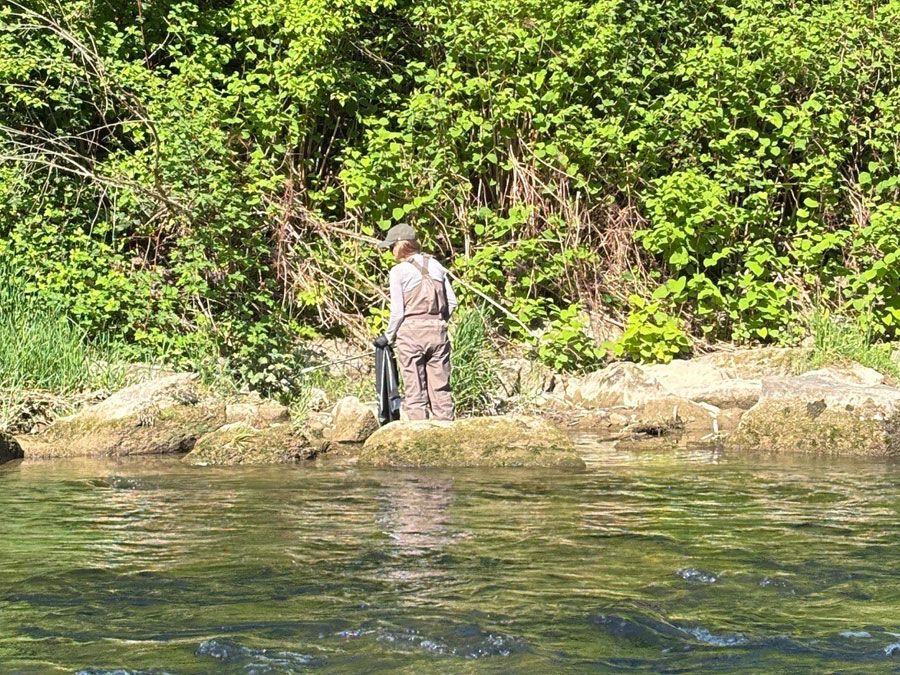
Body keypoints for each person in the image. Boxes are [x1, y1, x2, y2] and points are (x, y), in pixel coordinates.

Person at [373, 223, 457, 421]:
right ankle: (447, 429)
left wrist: (387, 337)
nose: (390, 251)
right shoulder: (436, 265)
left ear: (400, 246)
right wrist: (438, 321)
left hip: (411, 334)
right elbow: (452, 303)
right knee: (441, 388)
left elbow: (398, 312)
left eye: (391, 247)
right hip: (438, 331)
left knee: (415, 389)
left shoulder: (398, 271)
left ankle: (418, 432)